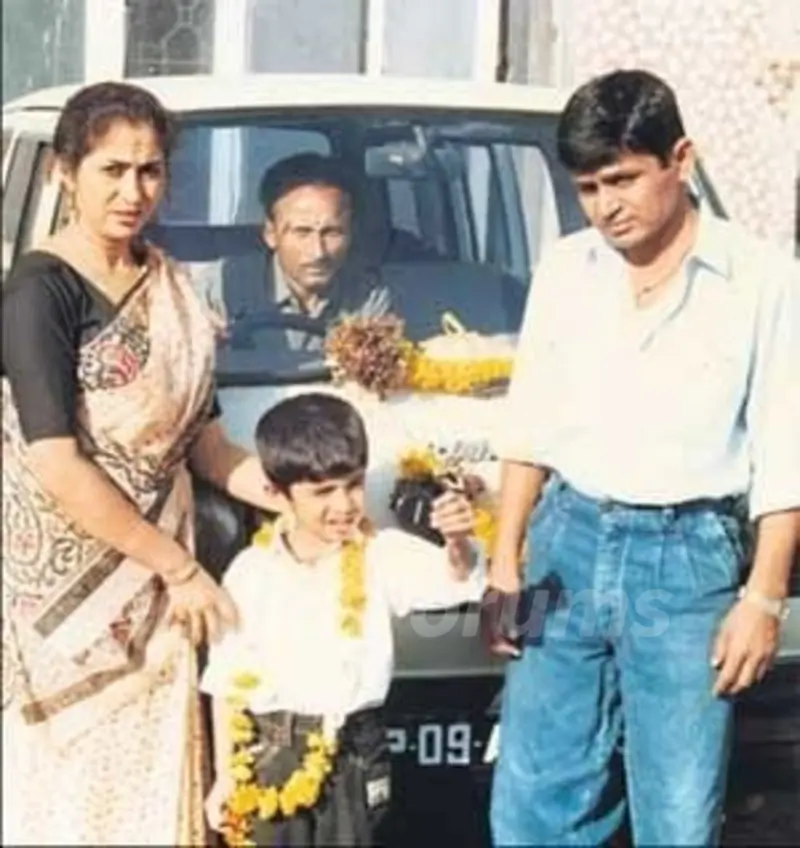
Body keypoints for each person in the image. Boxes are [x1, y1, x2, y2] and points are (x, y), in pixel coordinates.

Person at [482, 69, 799, 846]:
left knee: (679, 813)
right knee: (535, 801)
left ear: (680, 159)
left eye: (622, 179)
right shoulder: (567, 268)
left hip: (688, 564)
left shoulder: (763, 280)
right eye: (588, 187)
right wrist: (503, 563)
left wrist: (761, 600)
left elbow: (786, 447)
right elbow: (532, 420)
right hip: (566, 544)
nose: (605, 207)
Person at [1, 81, 278, 845]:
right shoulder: (38, 290)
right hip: (66, 607)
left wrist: (292, 496)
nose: (133, 191)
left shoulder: (171, 285)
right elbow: (55, 460)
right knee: (70, 800)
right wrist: (178, 568)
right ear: (66, 172)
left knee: (156, 794)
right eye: (111, 170)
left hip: (161, 600)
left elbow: (207, 444)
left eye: (150, 171)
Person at [201, 392, 484, 846]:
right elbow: (225, 679)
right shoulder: (252, 571)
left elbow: (456, 578)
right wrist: (225, 777)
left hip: (353, 756)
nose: (346, 505)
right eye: (323, 492)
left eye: (353, 484)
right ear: (277, 492)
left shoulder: (377, 554)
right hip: (268, 754)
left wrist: (457, 543)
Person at [222, 153, 391, 351]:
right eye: (302, 232)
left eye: (332, 232)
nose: (318, 252)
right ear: (271, 234)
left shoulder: (367, 298)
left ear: (351, 233)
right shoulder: (217, 288)